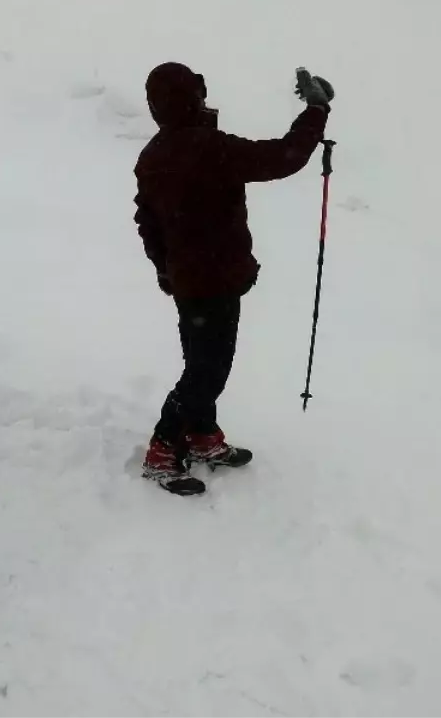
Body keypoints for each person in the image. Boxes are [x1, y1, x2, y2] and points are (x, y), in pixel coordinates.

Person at [133, 62, 334, 495]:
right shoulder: (208, 147)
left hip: (192, 282)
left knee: (204, 364)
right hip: (213, 281)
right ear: (194, 97)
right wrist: (316, 111)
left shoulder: (153, 155)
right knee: (206, 371)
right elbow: (285, 157)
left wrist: (164, 269)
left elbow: (146, 221)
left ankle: (202, 435)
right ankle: (163, 449)